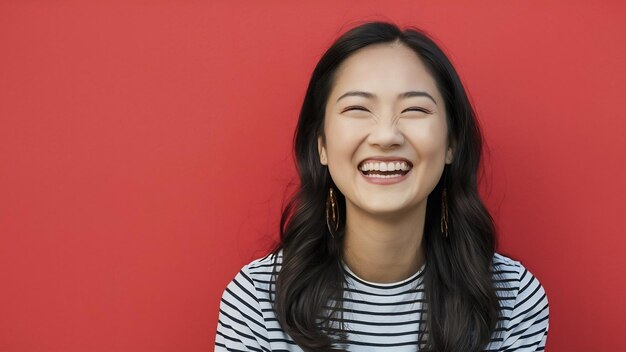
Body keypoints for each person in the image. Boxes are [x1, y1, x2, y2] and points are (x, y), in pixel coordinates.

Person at [214, 21, 549, 352]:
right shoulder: (257, 301)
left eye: (415, 109)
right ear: (322, 145)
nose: (387, 136)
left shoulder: (511, 297)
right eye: (357, 109)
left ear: (451, 144)